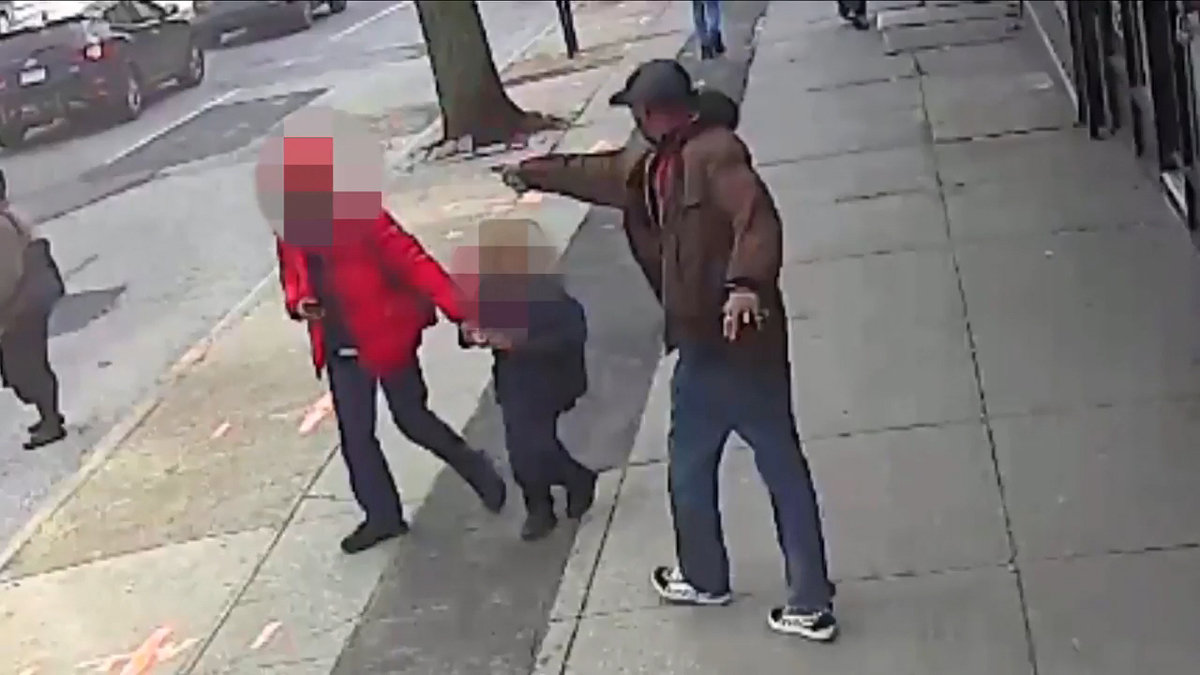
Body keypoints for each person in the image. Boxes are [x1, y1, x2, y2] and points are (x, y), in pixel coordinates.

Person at [497, 59, 838, 641]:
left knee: (749, 465)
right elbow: (597, 173)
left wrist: (745, 287)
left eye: (636, 112)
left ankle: (757, 588)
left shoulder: (717, 154)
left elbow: (757, 219)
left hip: (738, 343)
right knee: (714, 462)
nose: (634, 122)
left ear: (656, 113)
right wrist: (534, 173)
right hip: (704, 343)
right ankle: (761, 587)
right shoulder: (650, 161)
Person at [273, 135, 506, 555]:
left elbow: (414, 262)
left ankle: (475, 467)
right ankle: (383, 516)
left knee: (411, 418)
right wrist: (299, 303)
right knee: (356, 436)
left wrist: (462, 310)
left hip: (385, 335)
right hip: (340, 343)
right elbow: (293, 278)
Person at [457, 218, 595, 541]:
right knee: (523, 449)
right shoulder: (491, 288)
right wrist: (470, 334)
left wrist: (516, 344)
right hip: (514, 382)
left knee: (534, 446)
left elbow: (570, 336)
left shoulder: (547, 291)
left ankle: (564, 488)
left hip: (550, 380)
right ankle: (545, 502)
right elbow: (475, 325)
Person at [0, 168, 66, 450]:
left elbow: (6, 277)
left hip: (18, 308)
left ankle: (51, 422)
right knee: (26, 367)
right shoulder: (9, 216)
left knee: (25, 369)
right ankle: (48, 414)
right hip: (25, 306)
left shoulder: (1, 228)